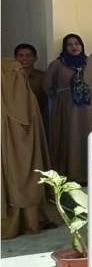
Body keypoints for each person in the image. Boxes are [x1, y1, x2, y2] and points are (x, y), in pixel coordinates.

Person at [2, 56, 55, 240]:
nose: (17, 78)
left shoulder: (28, 98)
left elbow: (37, 134)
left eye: (19, 74)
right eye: (11, 75)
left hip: (28, 154)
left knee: (29, 176)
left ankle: (32, 220)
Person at [44, 35, 92, 184]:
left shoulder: (90, 63)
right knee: (69, 139)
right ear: (64, 48)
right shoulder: (57, 64)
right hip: (66, 110)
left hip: (88, 110)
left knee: (88, 137)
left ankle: (89, 175)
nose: (74, 47)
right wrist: (61, 100)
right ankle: (70, 176)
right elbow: (46, 87)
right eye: (69, 44)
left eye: (77, 43)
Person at [14, 44, 48, 128]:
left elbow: (45, 99)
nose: (24, 58)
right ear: (15, 59)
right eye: (20, 55)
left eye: (28, 55)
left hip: (36, 119)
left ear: (35, 59)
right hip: (14, 120)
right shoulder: (9, 77)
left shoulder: (43, 76)